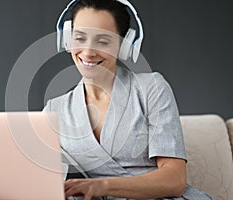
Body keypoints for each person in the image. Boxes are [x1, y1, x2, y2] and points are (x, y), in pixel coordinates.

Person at [43, 0, 213, 199]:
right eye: (80, 38)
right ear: (67, 40)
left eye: (103, 41)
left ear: (124, 46)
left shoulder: (151, 88)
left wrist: (103, 186)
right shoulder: (55, 110)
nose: (88, 52)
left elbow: (174, 179)